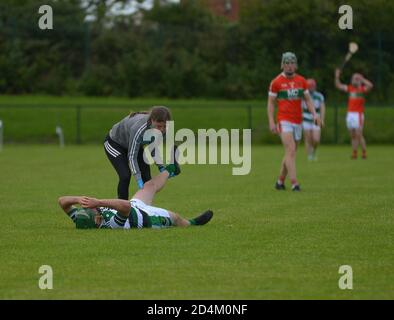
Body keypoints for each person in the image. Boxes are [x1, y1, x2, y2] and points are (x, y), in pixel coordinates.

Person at [58, 164, 213, 230]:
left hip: (136, 205)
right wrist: (98, 202)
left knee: (149, 186)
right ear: (97, 220)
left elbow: (62, 201)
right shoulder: (111, 224)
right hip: (146, 217)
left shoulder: (81, 219)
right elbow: (126, 206)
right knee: (176, 218)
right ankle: (193, 224)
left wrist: (78, 199)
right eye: (92, 210)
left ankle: (170, 170)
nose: (91, 207)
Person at [267, 52, 320, 191]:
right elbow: (271, 103)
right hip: (284, 120)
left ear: (295, 65)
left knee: (290, 153)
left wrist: (315, 114)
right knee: (290, 150)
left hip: (298, 121)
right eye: (286, 63)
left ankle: (280, 182)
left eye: (292, 63)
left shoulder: (301, 81)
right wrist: (271, 121)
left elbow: (308, 100)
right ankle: (294, 183)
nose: (289, 66)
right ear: (282, 65)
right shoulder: (276, 82)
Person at [104, 106, 178, 200]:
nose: (162, 130)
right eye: (159, 126)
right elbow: (132, 156)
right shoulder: (139, 128)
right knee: (125, 175)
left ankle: (146, 210)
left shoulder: (164, 129)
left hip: (135, 146)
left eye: (165, 126)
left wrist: (161, 166)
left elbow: (153, 147)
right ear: (152, 121)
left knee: (147, 178)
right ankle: (122, 209)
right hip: (115, 144)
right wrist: (137, 177)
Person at [335, 69, 373, 159]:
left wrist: (362, 79)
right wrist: (337, 76)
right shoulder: (350, 88)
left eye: (356, 79)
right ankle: (354, 153)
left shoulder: (362, 89)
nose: (354, 80)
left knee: (359, 135)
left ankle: (364, 152)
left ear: (359, 80)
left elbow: (371, 86)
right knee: (352, 135)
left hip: (358, 114)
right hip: (350, 115)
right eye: (353, 78)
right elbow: (338, 85)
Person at [302, 78, 326, 161]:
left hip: (316, 119)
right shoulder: (303, 95)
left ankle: (314, 151)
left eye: (312, 86)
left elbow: (322, 108)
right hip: (305, 118)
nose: (311, 88)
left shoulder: (319, 96)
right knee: (308, 138)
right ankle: (309, 155)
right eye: (309, 86)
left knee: (316, 139)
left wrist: (322, 119)